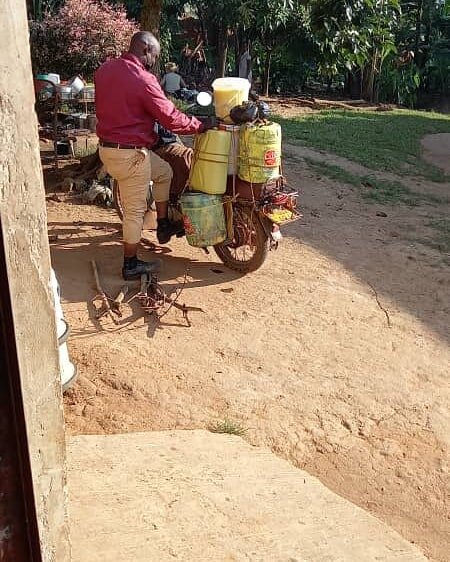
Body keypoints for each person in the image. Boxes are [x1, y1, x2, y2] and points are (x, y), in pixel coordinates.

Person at [95, 31, 214, 280]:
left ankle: (162, 224)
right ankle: (130, 264)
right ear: (146, 50)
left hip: (107, 149)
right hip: (131, 155)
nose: (154, 61)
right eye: (155, 56)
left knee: (164, 172)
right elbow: (170, 117)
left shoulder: (105, 70)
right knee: (135, 213)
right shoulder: (143, 78)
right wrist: (201, 125)